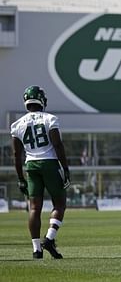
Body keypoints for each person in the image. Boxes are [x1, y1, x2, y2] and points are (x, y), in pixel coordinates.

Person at [11, 85, 71, 259]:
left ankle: (36, 249)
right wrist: (65, 168)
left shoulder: (17, 124)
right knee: (59, 204)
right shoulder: (50, 119)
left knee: (34, 208)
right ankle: (50, 238)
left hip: (31, 166)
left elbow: (16, 154)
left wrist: (20, 178)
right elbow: (58, 145)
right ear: (42, 100)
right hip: (50, 163)